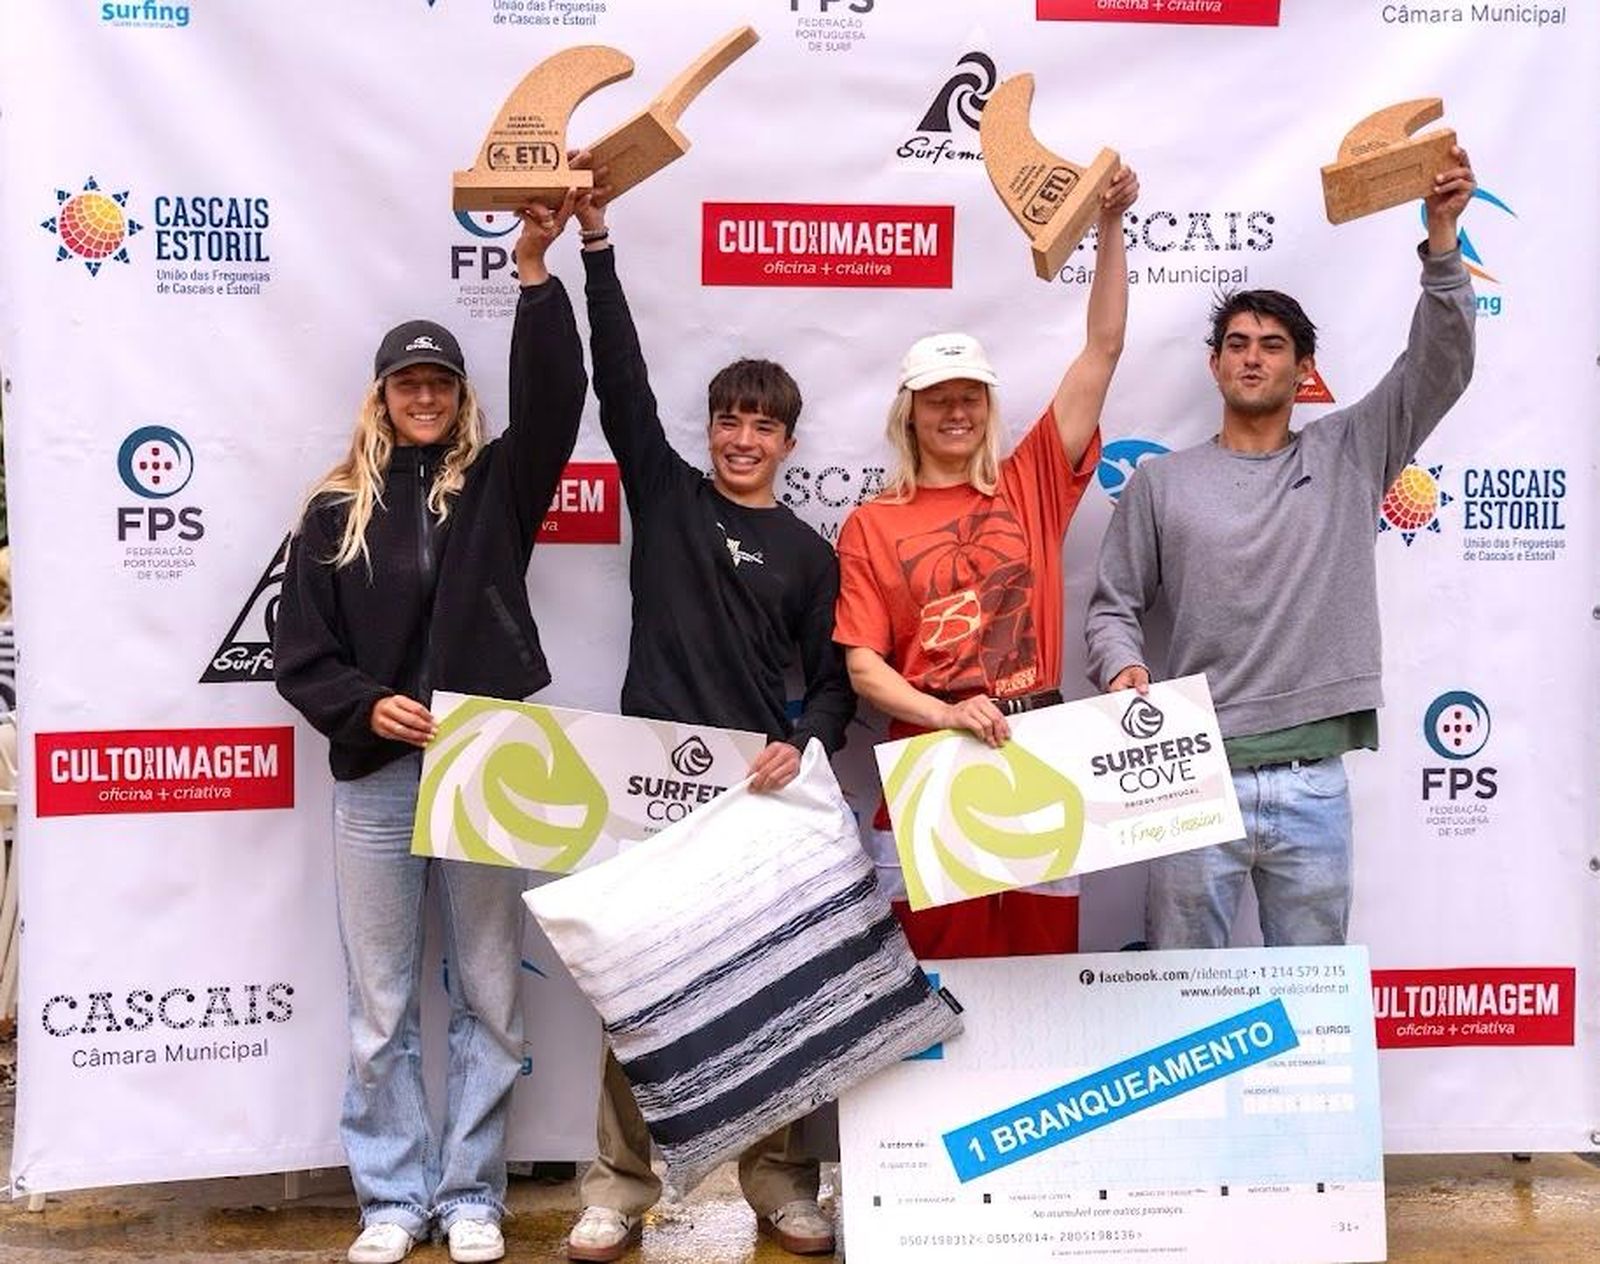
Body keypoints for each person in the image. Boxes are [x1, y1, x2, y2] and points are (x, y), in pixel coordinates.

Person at [273, 199, 586, 1264]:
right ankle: (392, 1200)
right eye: (407, 382)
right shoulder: (330, 512)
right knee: (382, 1000)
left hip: (485, 764)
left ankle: (471, 1196)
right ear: (382, 396)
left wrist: (536, 270)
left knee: (492, 992)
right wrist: (367, 703)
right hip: (375, 775)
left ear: (459, 399)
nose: (423, 395)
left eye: (440, 383)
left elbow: (557, 400)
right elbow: (298, 654)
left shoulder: (497, 486)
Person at [561, 166, 855, 1263]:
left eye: (761, 425)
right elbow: (618, 381)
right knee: (638, 991)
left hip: (755, 794)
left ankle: (779, 1180)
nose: (741, 438)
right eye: (728, 420)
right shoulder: (668, 494)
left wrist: (799, 743)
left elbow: (832, 681)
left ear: (788, 441)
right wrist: (597, 243)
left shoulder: (810, 552)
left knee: (770, 992)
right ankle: (618, 1189)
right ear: (710, 430)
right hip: (648, 782)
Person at [1083, 148, 1478, 950]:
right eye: (1236, 342)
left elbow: (1439, 367)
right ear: (1214, 363)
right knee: (1180, 1002)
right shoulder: (1161, 483)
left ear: (1304, 371)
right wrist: (1122, 667)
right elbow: (1111, 608)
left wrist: (1442, 243)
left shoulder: (1349, 451)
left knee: (1315, 1005)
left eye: (1271, 344)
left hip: (1314, 785)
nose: (1252, 355)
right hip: (1191, 777)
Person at [832, 166, 1139, 959]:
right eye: (939, 398)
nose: (957, 411)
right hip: (927, 758)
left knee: (1039, 986)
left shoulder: (1029, 479)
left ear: (989, 407)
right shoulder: (873, 521)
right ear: (911, 412)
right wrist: (947, 714)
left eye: (971, 395)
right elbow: (865, 668)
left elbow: (1102, 349)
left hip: (1038, 749)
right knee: (936, 994)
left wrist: (1108, 225)